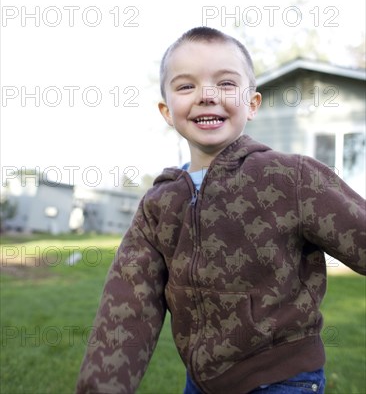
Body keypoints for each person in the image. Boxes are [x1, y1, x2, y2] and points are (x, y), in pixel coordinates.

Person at [76, 27, 366, 394]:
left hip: (284, 379)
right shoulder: (159, 204)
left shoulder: (290, 178)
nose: (207, 96)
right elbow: (127, 307)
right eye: (185, 87)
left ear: (253, 104)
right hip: (202, 382)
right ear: (167, 111)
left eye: (226, 84)